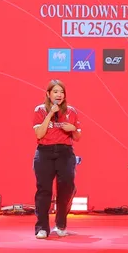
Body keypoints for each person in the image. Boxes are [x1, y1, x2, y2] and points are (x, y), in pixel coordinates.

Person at [32, 79, 81, 239]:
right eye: (55, 92)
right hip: (44, 152)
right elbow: (39, 134)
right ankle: (42, 227)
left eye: (61, 92)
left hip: (65, 152)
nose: (59, 95)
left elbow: (78, 137)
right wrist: (50, 114)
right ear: (48, 94)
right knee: (44, 190)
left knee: (66, 189)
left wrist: (73, 129)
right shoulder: (40, 110)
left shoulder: (71, 111)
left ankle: (60, 224)